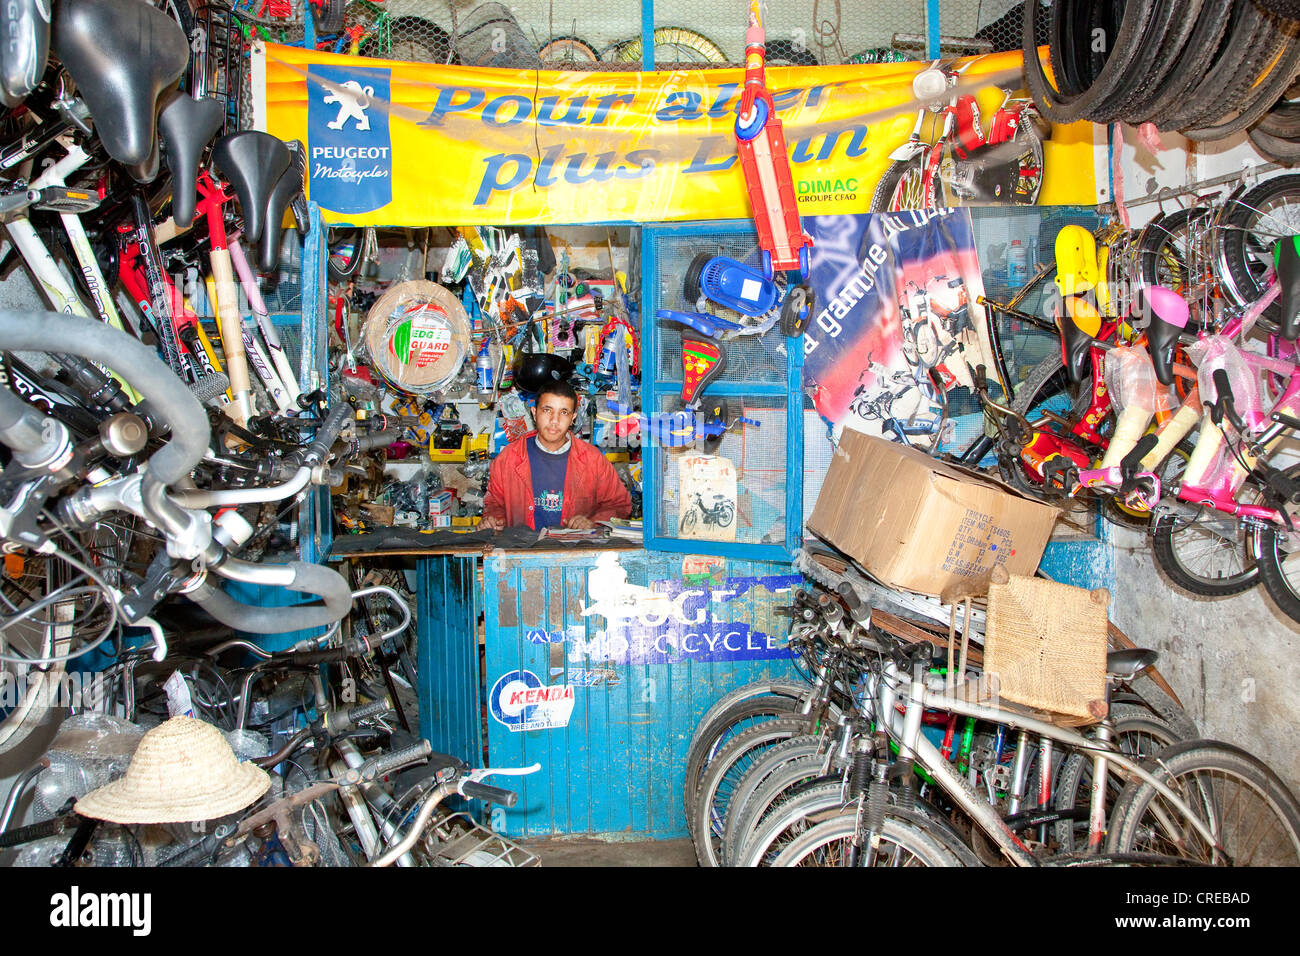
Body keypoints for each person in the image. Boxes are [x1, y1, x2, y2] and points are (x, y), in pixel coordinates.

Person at [480, 379, 631, 531]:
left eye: (564, 412)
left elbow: (619, 505)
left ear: (573, 418)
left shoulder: (593, 460)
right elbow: (494, 504)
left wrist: (593, 522)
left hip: (575, 551)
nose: (554, 420)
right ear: (534, 413)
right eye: (547, 410)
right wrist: (494, 520)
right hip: (522, 552)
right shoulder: (509, 458)